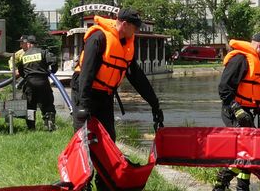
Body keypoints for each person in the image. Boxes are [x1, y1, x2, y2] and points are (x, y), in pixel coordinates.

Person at [71, 8, 163, 141]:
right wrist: (83, 106)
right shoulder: (99, 38)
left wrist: (155, 105)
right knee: (85, 138)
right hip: (85, 91)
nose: (137, 31)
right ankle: (79, 161)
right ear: (125, 25)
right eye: (135, 27)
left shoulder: (125, 46)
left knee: (108, 139)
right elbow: (87, 73)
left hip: (105, 94)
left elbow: (138, 79)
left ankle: (103, 161)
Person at [211, 32, 260, 191]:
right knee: (248, 152)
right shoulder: (240, 59)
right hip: (233, 111)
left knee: (246, 153)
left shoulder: (257, 61)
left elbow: (251, 93)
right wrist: (237, 110)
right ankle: (221, 186)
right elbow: (224, 89)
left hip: (247, 112)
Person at [12, 34, 56, 131]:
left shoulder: (24, 56)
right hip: (43, 82)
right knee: (47, 104)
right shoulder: (43, 52)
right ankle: (50, 127)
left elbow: (21, 70)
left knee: (30, 106)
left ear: (28, 44)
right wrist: (52, 72)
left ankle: (31, 128)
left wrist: (27, 76)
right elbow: (53, 61)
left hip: (30, 84)